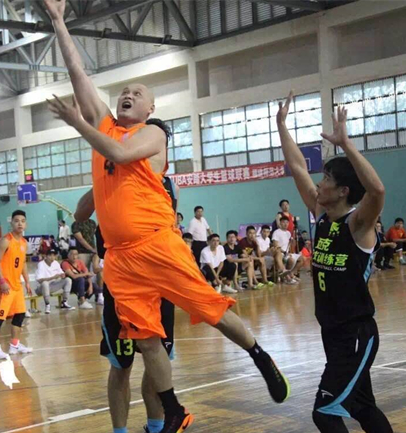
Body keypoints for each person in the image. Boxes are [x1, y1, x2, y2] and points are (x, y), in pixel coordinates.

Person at [45, 1, 291, 430]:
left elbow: (120, 153)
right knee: (146, 340)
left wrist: (78, 125)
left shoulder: (153, 133)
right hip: (120, 258)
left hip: (157, 245)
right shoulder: (104, 124)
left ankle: (260, 355)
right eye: (124, 91)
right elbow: (78, 73)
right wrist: (58, 21)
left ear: (150, 107)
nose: (128, 95)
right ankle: (174, 410)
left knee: (211, 310)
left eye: (138, 93)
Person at [278, 92, 392, 433]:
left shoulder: (358, 224)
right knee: (362, 407)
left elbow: (377, 191)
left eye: (327, 179)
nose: (320, 183)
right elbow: (298, 166)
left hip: (355, 333)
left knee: (325, 413)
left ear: (343, 191)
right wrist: (282, 126)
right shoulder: (321, 216)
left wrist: (346, 144)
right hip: (333, 332)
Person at [75, 174, 179, 433]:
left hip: (159, 283)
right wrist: (104, 181)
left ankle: (157, 427)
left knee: (158, 360)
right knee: (121, 364)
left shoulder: (169, 185)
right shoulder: (110, 179)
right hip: (122, 284)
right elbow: (80, 214)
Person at [0, 210, 33, 359]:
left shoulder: (24, 243)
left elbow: (23, 263)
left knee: (20, 315)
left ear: (26, 224)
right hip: (5, 285)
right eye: (16, 221)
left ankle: (15, 344)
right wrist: (2, 281)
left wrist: (27, 282)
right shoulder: (6, 240)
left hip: (17, 285)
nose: (20, 223)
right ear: (12, 223)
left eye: (22, 221)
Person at [35, 249, 74, 314]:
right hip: (41, 288)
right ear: (46, 256)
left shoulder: (55, 263)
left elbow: (61, 273)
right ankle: (47, 305)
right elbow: (39, 280)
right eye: (50, 255)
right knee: (45, 283)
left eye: (54, 255)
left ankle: (64, 302)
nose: (52, 257)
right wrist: (52, 277)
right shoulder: (41, 264)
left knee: (68, 280)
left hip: (52, 286)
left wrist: (63, 275)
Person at [273, 217, 304, 285]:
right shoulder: (276, 232)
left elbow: (291, 246)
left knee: (302, 259)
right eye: (283, 222)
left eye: (287, 222)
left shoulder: (288, 233)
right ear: (280, 223)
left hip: (287, 253)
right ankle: (287, 278)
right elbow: (276, 246)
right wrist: (284, 252)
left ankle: (291, 274)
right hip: (280, 253)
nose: (285, 224)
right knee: (290, 260)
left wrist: (293, 241)